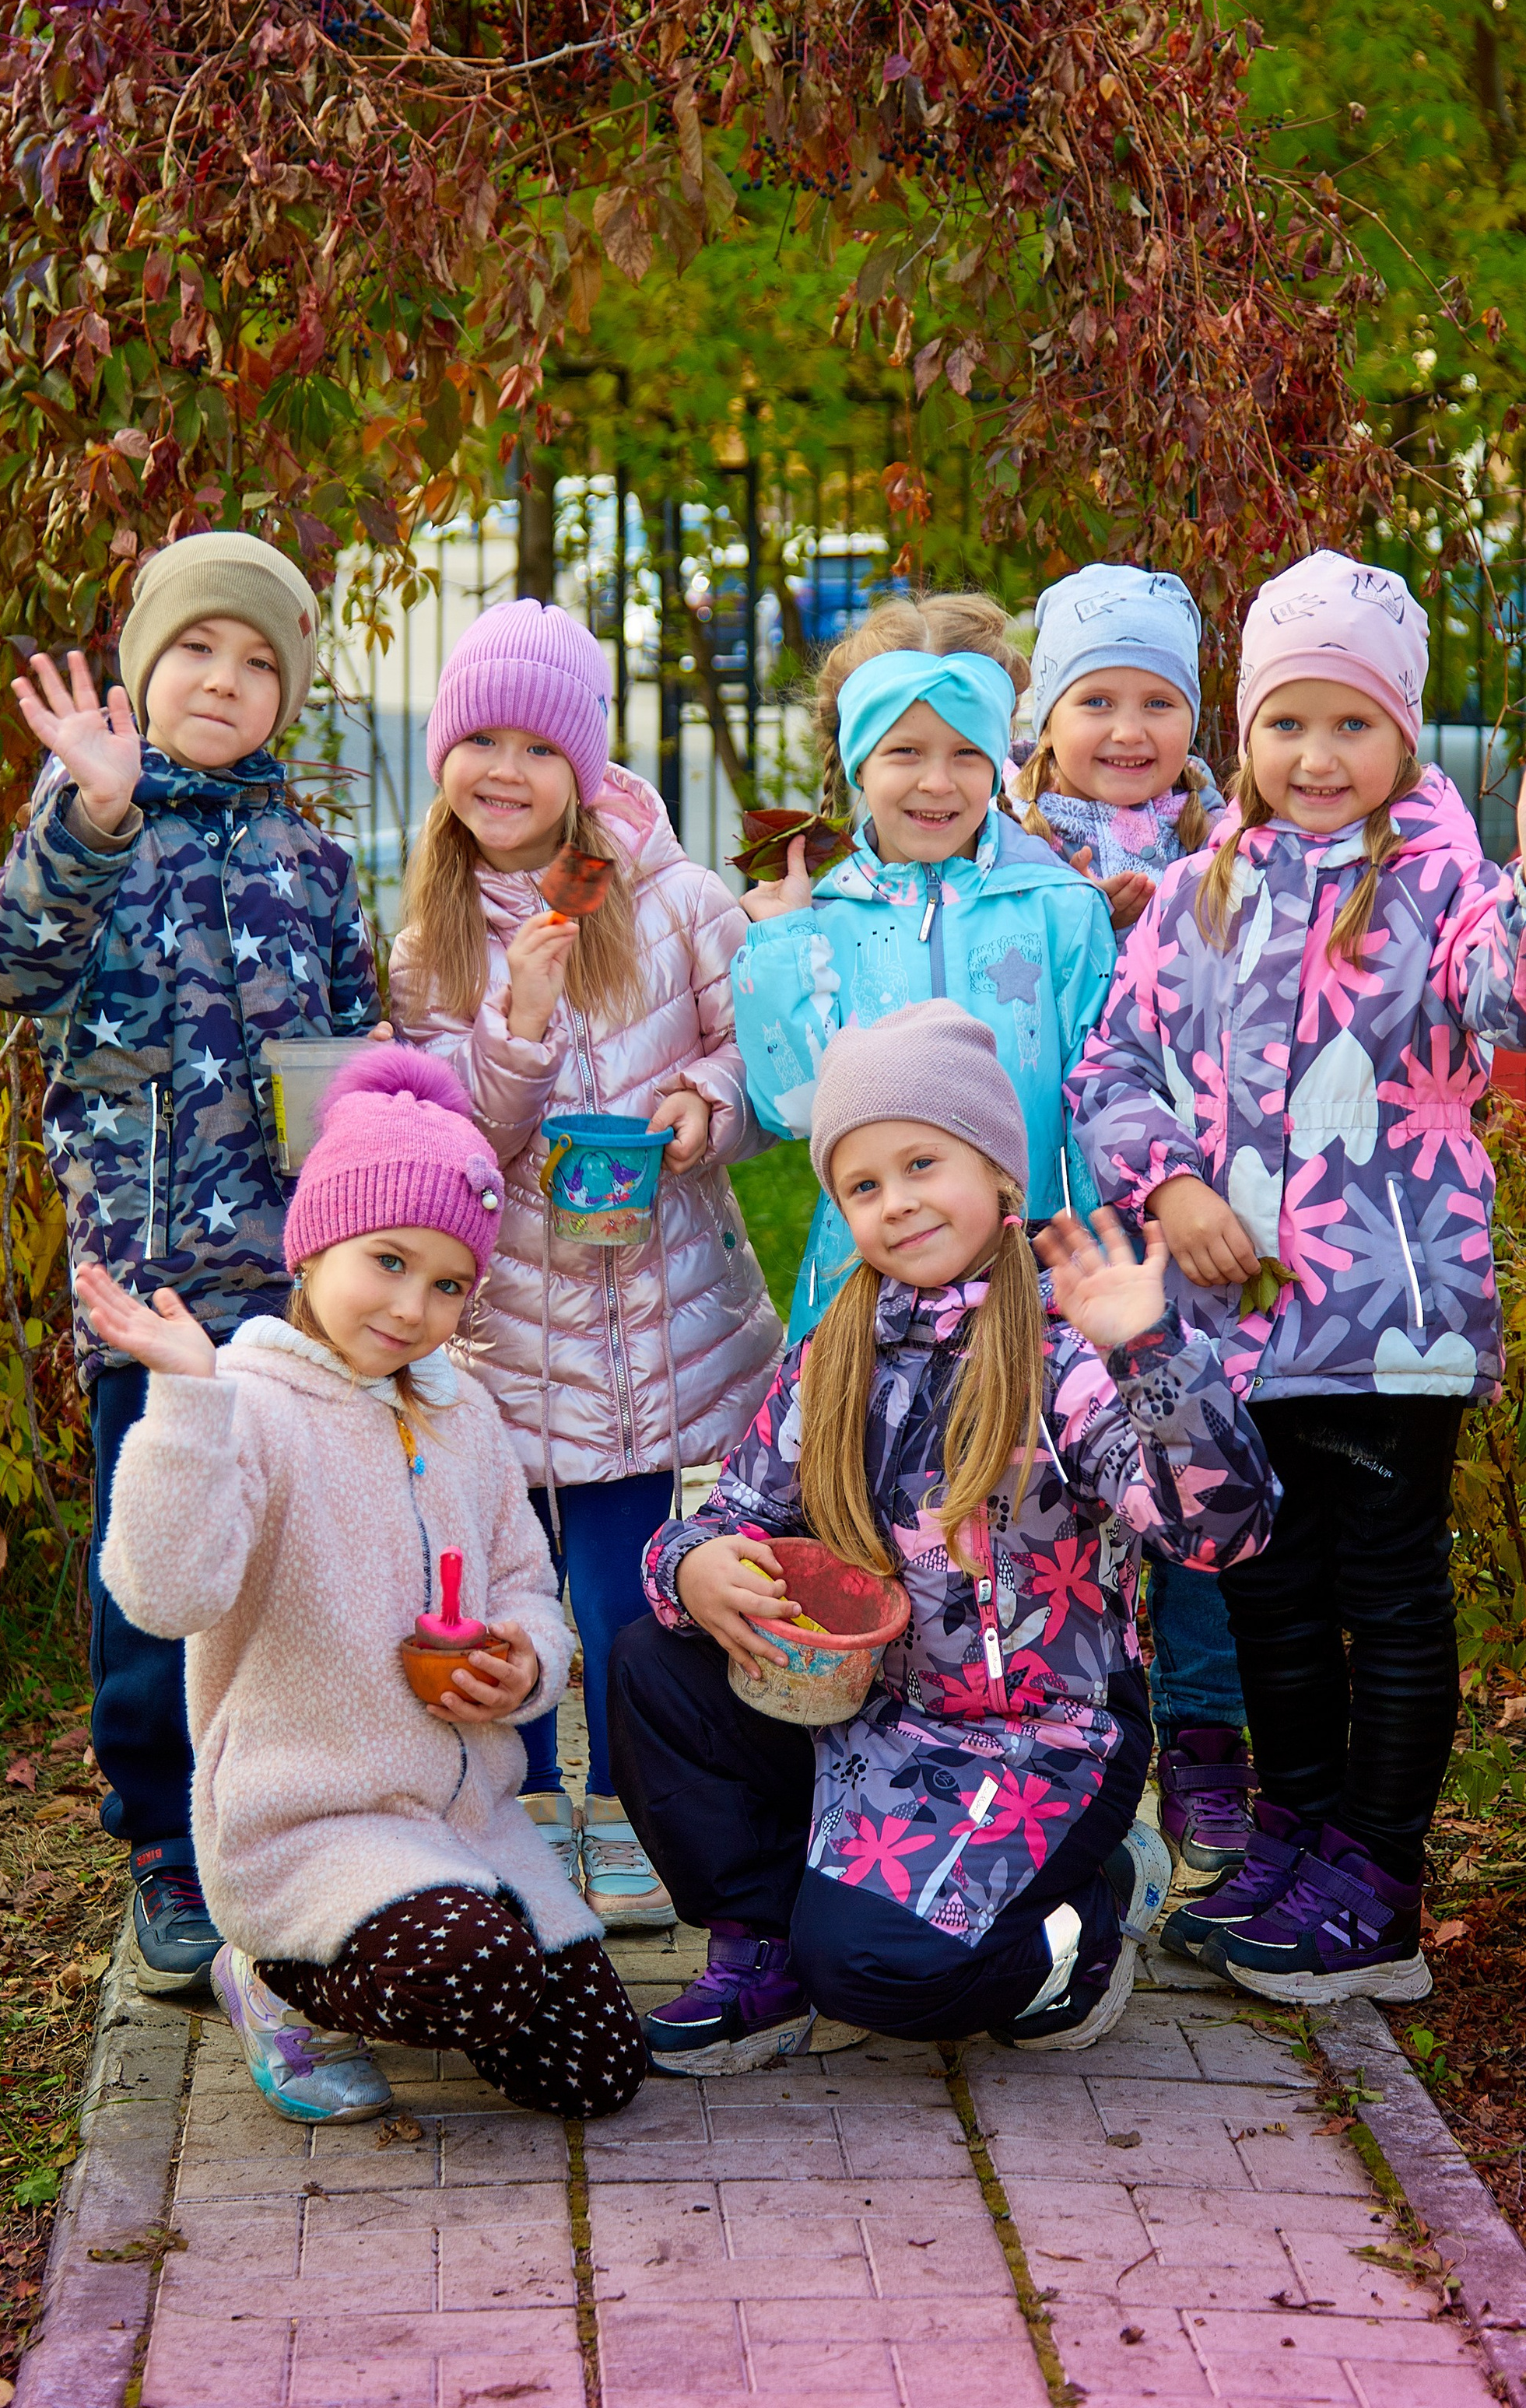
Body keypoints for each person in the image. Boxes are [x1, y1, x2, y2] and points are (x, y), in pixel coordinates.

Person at [1070, 549, 1526, 2003]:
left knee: (1383, 1592)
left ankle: (1376, 1879)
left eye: (1352, 724)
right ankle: (1294, 1836)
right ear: (1242, 737)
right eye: (1286, 724)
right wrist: (1172, 1183)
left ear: (1402, 734)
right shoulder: (1197, 889)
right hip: (1236, 1325)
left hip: (1392, 1314)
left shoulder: (1447, 883)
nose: (1318, 757)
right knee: (1265, 1587)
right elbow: (1113, 1066)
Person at [608, 1001, 1279, 2073]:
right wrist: (691, 1565)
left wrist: (1152, 1351)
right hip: (866, 1711)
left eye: (923, 1162)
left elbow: (1221, 1535)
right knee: (654, 1657)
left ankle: (1086, 1920)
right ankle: (765, 1943)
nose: (898, 1203)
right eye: (862, 1185)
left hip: (1040, 1740)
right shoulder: (837, 1348)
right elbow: (737, 1509)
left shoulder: (1070, 1350)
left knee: (884, 1975)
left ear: (1001, 1173)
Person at [0, 532, 380, 1997]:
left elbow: (362, 1062)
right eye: (200, 647)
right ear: (143, 664)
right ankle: (164, 1849)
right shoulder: (87, 827)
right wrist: (88, 813)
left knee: (292, 1559)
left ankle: (289, 1815)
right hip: (144, 1296)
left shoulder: (310, 863)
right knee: (157, 1563)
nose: (226, 678)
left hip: (299, 1290)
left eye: (261, 661)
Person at [87, 1047, 646, 2126]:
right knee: (469, 1969)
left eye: (447, 1284)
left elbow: (529, 1583)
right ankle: (271, 1977)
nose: (412, 1308)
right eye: (387, 1261)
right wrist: (187, 1407)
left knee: (595, 2073)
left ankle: (442, 1940)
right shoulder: (247, 1402)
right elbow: (166, 1595)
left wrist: (525, 1662)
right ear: (317, 1242)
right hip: (309, 1827)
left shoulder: (462, 1410)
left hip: (468, 1825)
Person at [390, 598, 781, 1930]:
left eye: (537, 748)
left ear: (584, 765)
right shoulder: (431, 938)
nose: (505, 771)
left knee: (625, 1589)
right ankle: (523, 1807)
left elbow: (758, 1056)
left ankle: (625, 1807)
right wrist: (521, 1026)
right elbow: (458, 1142)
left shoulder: (669, 896)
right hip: (510, 1328)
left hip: (661, 1317)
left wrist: (704, 1107)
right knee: (509, 1587)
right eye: (478, 740)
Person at [1010, 563, 1252, 1886]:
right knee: (1063, 1487)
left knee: (1191, 1465)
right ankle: (1083, 1723)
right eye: (1094, 698)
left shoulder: (1226, 861)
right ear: (1046, 722)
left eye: (1156, 701)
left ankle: (1208, 1742)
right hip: (1048, 1217)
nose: (1125, 728)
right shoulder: (1007, 860)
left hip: (1184, 1217)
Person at [731, 592, 1116, 1339]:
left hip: (1032, 1281)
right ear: (858, 762)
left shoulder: (1060, 907)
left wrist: (1098, 1252)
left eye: (967, 753)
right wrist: (783, 947)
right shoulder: (821, 920)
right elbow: (795, 1109)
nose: (938, 782)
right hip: (863, 1287)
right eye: (905, 751)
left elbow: (1097, 1097)